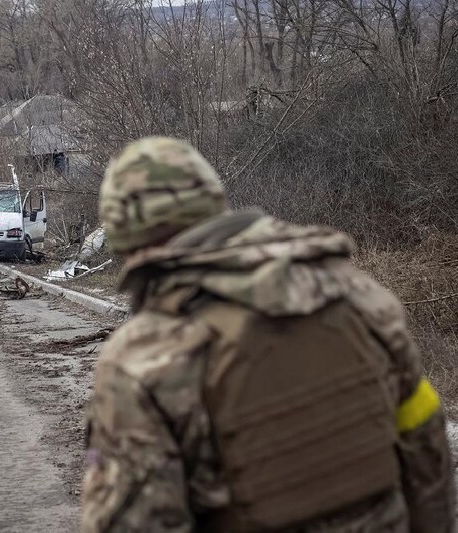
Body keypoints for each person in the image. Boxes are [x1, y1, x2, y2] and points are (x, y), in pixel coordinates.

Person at [82, 136, 454, 532]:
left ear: (124, 238)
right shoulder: (357, 295)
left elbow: (135, 521)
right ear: (214, 203)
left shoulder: (143, 357)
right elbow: (427, 451)